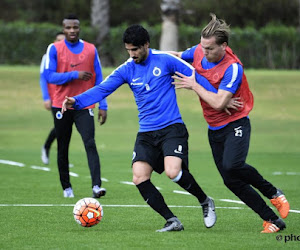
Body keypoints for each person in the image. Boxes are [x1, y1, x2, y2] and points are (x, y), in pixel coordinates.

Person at [61, 24, 222, 232]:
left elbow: (195, 76)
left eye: (135, 49)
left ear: (146, 44)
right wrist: (77, 100)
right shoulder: (127, 69)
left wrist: (218, 98)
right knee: (139, 177)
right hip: (146, 132)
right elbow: (103, 88)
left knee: (173, 172)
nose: (132, 54)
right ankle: (172, 220)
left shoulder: (165, 60)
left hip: (172, 127)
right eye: (128, 50)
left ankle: (205, 201)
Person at [171, 13, 290, 233]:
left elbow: (218, 103)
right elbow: (177, 56)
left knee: (232, 165)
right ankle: (272, 220)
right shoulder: (199, 51)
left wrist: (194, 85)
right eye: (202, 47)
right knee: (231, 181)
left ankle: (274, 193)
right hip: (213, 128)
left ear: (224, 46)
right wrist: (151, 56)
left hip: (236, 123)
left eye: (209, 49)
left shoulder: (232, 68)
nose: (204, 53)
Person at [44, 14, 107, 198]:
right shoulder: (55, 49)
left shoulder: (90, 49)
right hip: (61, 105)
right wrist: (74, 74)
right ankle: (67, 187)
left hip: (84, 105)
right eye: (68, 28)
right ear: (63, 29)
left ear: (79, 28)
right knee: (63, 146)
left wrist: (103, 104)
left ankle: (96, 186)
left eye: (75, 27)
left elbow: (100, 78)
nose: (72, 31)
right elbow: (49, 76)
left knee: (90, 143)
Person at [40, 32, 65, 165]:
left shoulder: (70, 55)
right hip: (54, 97)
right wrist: (46, 97)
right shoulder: (47, 57)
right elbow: (43, 78)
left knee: (65, 127)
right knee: (60, 126)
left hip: (68, 96)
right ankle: (46, 147)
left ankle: (62, 157)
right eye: (58, 40)